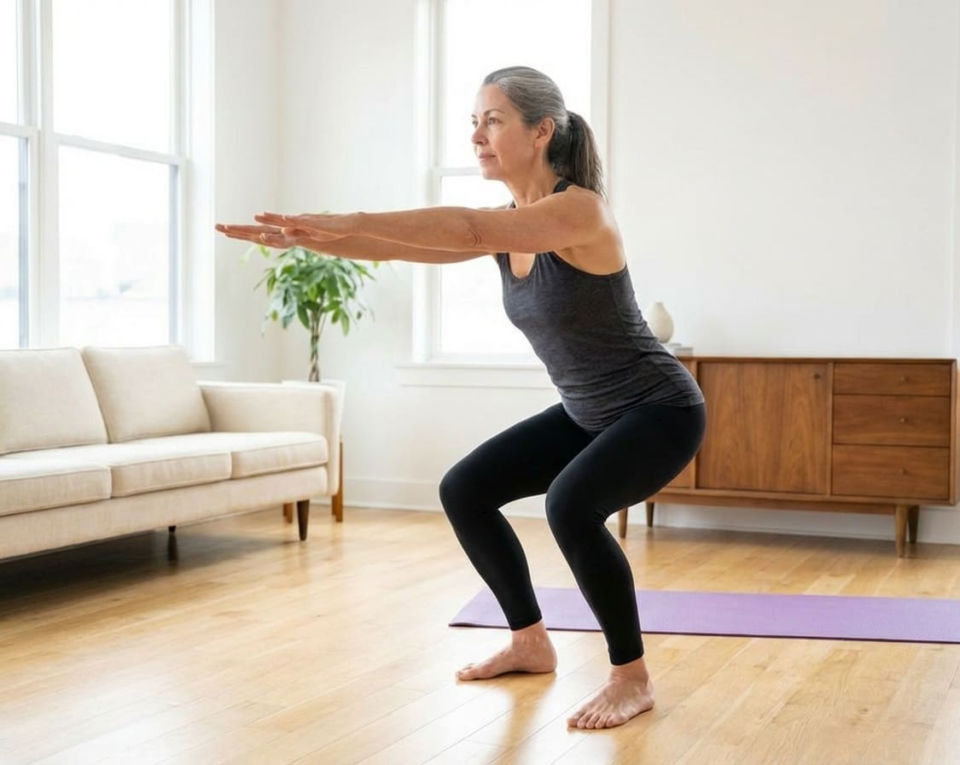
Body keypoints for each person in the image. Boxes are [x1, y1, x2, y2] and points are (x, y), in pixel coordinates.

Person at [215, 65, 706, 730]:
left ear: (542, 131)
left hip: (659, 408)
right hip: (589, 412)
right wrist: (310, 236)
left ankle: (630, 676)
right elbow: (402, 245)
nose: (476, 134)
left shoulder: (578, 210)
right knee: (465, 487)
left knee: (570, 504)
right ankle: (529, 639)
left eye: (492, 120)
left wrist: (343, 218)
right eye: (473, 121)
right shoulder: (512, 226)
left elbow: (468, 231)